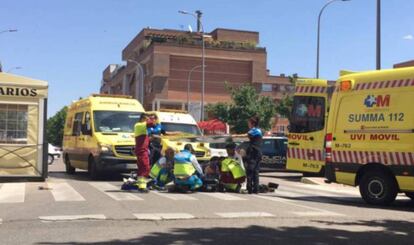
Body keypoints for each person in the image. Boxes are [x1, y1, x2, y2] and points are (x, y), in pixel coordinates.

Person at [133, 113, 156, 192]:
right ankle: (142, 186)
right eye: (146, 119)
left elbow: (144, 139)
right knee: (145, 167)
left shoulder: (141, 127)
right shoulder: (139, 125)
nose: (147, 120)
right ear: (143, 119)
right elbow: (151, 123)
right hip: (142, 151)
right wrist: (152, 118)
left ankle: (140, 185)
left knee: (141, 168)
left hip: (142, 150)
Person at [245, 116, 263, 194]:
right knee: (256, 171)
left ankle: (249, 189)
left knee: (250, 171)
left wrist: (232, 136)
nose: (248, 124)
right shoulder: (259, 130)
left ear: (252, 123)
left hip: (253, 152)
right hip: (258, 152)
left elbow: (245, 136)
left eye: (248, 123)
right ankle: (256, 189)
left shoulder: (254, 130)